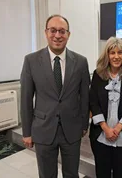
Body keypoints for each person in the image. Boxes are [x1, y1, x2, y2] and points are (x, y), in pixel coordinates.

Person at [20, 14, 90, 178]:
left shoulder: (81, 62)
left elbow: (85, 96)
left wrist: (84, 124)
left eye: (62, 31)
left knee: (72, 173)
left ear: (68, 34)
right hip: (43, 129)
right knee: (46, 174)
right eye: (53, 30)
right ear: (46, 32)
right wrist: (26, 132)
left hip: (72, 130)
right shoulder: (31, 61)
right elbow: (26, 99)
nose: (57, 35)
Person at [89, 37, 122, 178]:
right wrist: (106, 128)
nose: (116, 56)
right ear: (107, 55)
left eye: (120, 53)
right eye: (112, 53)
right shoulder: (98, 75)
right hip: (101, 135)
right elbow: (93, 102)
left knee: (120, 174)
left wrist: (117, 128)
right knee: (102, 173)